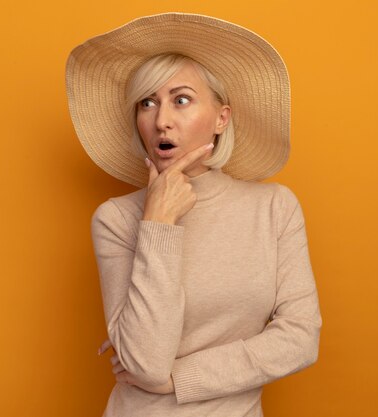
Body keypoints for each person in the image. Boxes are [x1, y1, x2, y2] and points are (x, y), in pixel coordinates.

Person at [65, 12, 322, 417]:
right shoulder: (115, 220)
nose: (161, 121)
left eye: (180, 100)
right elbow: (145, 362)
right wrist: (158, 222)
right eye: (147, 103)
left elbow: (301, 338)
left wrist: (179, 378)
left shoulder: (274, 208)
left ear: (222, 118)